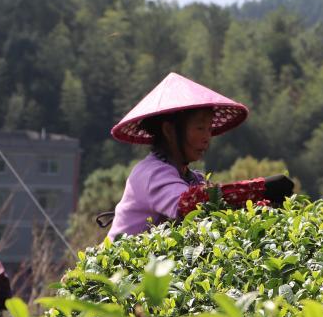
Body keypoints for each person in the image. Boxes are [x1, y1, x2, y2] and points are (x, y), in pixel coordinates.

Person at [107, 72, 293, 239]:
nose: (207, 137)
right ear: (169, 131)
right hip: (116, 272)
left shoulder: (192, 178)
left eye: (209, 128)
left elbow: (217, 208)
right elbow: (189, 204)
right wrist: (259, 188)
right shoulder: (150, 173)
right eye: (200, 128)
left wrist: (263, 206)